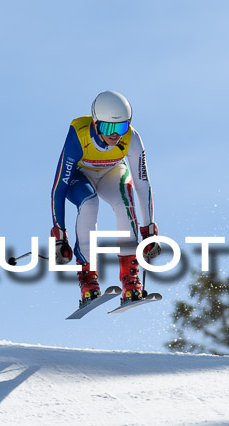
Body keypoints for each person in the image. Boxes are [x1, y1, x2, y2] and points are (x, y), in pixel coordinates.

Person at [50, 91, 160, 305]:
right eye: (109, 127)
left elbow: (142, 184)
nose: (115, 134)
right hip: (80, 177)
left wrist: (148, 230)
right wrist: (59, 235)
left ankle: (130, 279)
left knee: (125, 205)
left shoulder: (132, 138)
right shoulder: (79, 134)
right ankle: (88, 279)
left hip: (112, 172)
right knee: (90, 204)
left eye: (121, 127)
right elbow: (58, 188)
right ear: (95, 123)